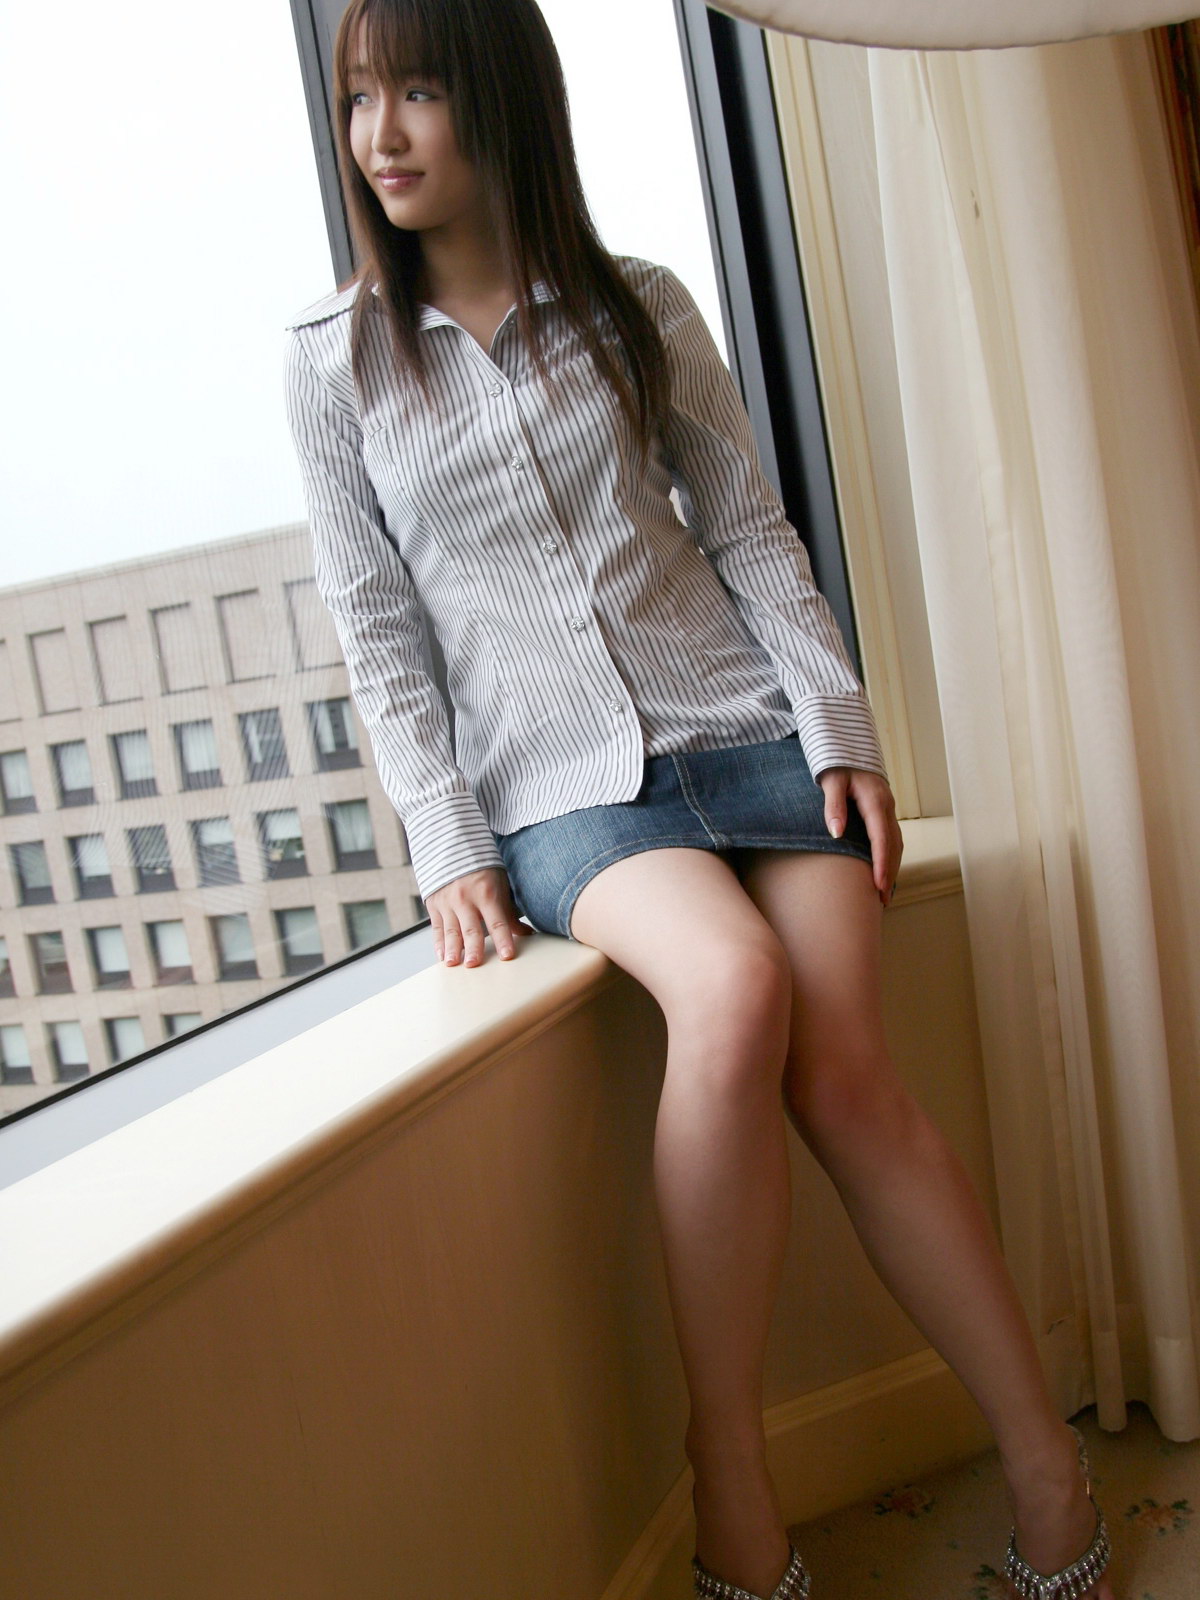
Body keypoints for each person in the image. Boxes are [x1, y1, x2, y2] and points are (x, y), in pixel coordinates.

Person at [283, 3, 1115, 1596]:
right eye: (358, 98)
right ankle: (730, 1475)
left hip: (742, 727)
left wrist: (839, 728)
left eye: (420, 90)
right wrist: (446, 842)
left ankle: (1046, 1466)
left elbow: (744, 529)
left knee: (853, 1083)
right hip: (566, 791)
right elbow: (379, 634)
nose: (381, 133)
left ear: (501, 102)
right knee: (733, 993)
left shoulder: (640, 303)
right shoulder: (336, 367)